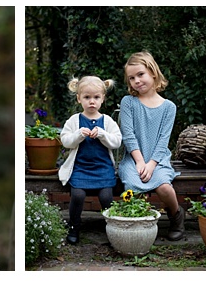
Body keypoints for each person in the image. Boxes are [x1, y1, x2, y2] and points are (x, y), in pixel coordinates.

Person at [118, 51, 182, 240]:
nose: (136, 80)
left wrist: (152, 164)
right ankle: (137, 225)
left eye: (140, 74)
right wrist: (139, 161)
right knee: (131, 185)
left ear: (153, 72)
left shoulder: (169, 107)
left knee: (163, 187)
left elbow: (164, 140)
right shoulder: (129, 102)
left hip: (158, 159)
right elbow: (128, 135)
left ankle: (177, 216)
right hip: (133, 158)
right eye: (131, 78)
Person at [58, 76, 122, 244]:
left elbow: (117, 142)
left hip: (103, 168)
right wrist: (78, 134)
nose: (91, 101)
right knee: (77, 195)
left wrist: (102, 134)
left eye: (96, 97)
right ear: (79, 98)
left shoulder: (107, 121)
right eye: (87, 97)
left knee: (107, 196)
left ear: (103, 99)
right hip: (81, 168)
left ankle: (113, 228)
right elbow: (65, 140)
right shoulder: (74, 120)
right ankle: (74, 226)